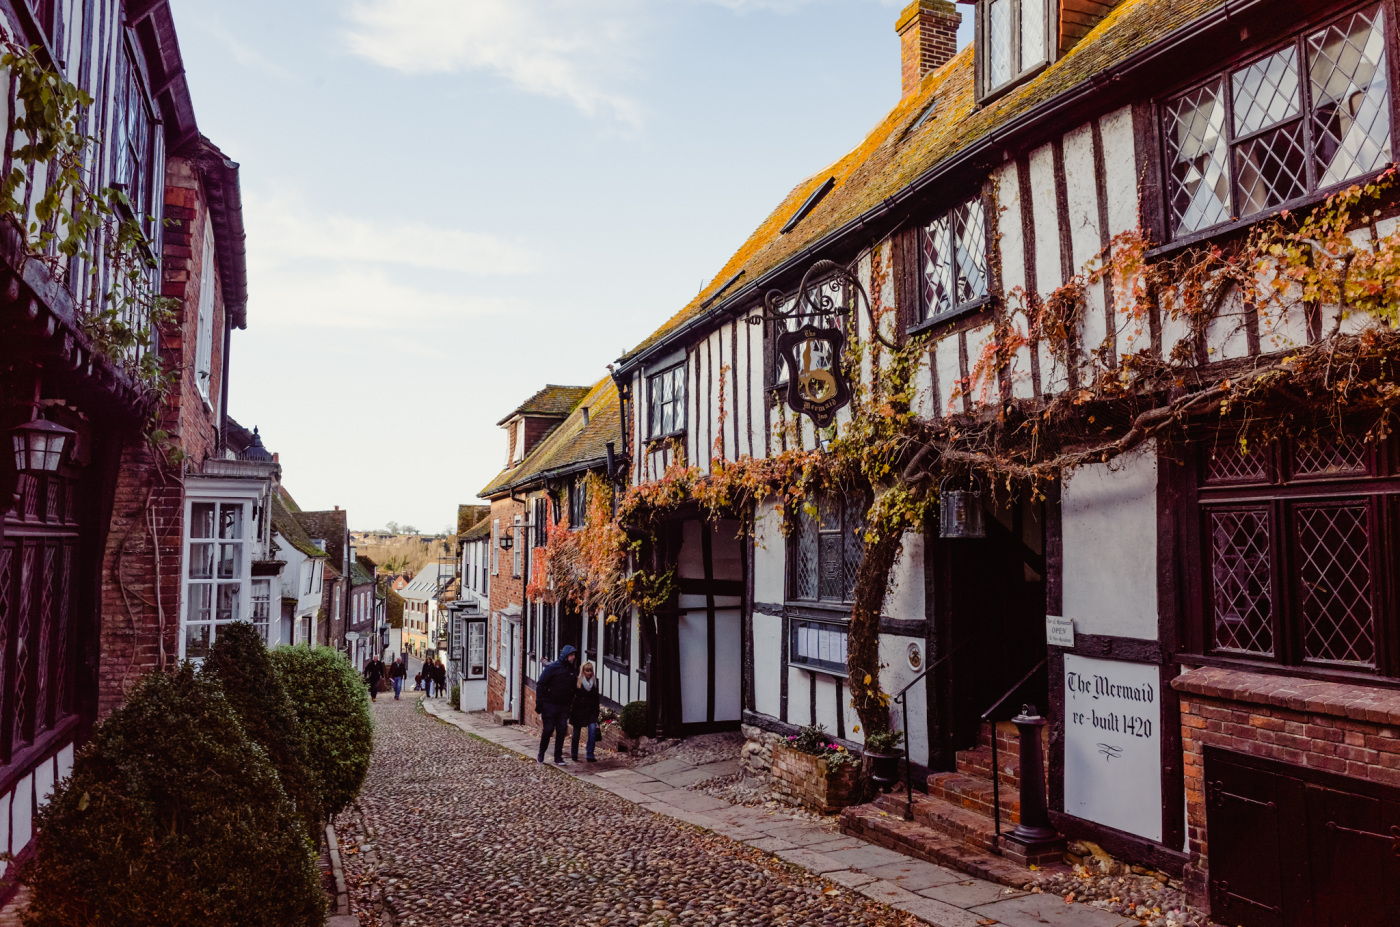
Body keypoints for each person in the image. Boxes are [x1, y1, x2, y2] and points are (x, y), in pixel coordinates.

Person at [535, 645, 578, 765]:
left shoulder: (571, 671)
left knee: (561, 729)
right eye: (571, 655)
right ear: (565, 655)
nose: (573, 657)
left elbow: (573, 688)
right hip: (549, 704)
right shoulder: (552, 668)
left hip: (563, 705)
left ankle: (558, 756)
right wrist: (539, 702)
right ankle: (541, 752)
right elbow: (540, 684)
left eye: (574, 655)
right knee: (548, 729)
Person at [570, 660, 602, 763]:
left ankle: (590, 755)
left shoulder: (595, 682)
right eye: (587, 671)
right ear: (583, 671)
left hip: (591, 711)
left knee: (592, 730)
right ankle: (574, 754)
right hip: (579, 710)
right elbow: (572, 697)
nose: (589, 673)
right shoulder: (577, 682)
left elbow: (596, 698)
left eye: (591, 671)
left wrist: (597, 712)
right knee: (576, 733)